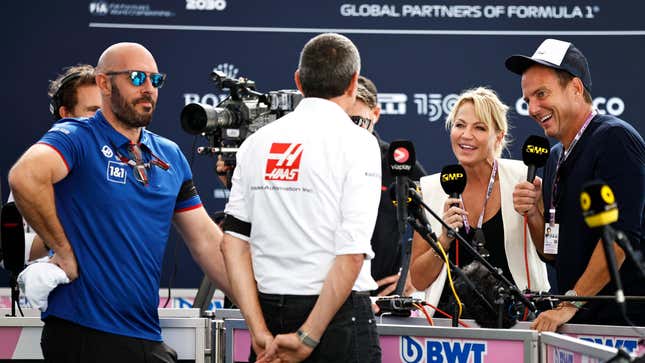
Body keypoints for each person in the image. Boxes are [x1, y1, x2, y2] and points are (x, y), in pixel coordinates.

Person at [9, 42, 231, 362]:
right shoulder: (77, 136)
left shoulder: (169, 155)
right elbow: (24, 177)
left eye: (155, 81)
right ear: (104, 82)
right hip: (83, 333)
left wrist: (260, 318)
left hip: (144, 334)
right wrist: (63, 249)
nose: (148, 89)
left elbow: (208, 244)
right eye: (136, 78)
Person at [221, 33, 382, 363]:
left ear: (298, 80)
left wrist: (259, 332)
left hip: (268, 319)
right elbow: (352, 253)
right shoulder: (359, 143)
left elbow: (233, 243)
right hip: (338, 321)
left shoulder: (256, 143)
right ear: (353, 83)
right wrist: (308, 336)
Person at [507, 38, 645, 330]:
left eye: (542, 94)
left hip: (625, 327)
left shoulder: (615, 139)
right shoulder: (555, 156)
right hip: (577, 323)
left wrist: (569, 304)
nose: (532, 108)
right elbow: (553, 253)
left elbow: (619, 242)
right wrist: (534, 214)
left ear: (576, 88)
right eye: (528, 99)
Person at [410, 87, 550, 319]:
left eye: (480, 128)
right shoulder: (431, 189)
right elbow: (419, 279)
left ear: (499, 136)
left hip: (517, 322)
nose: (466, 135)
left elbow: (550, 252)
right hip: (450, 327)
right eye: (460, 125)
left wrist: (534, 213)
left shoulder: (525, 179)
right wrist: (444, 240)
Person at [3, 64, 102, 269]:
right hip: (58, 295)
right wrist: (59, 239)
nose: (103, 120)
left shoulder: (132, 162)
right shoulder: (41, 166)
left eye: (106, 111)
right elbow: (9, 251)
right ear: (65, 113)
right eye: (93, 111)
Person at [347, 75, 426, 297]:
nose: (350, 130)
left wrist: (412, 273)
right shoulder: (319, 159)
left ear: (376, 114)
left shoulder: (397, 161)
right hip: (324, 290)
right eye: (342, 120)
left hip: (383, 293)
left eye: (357, 121)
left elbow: (437, 216)